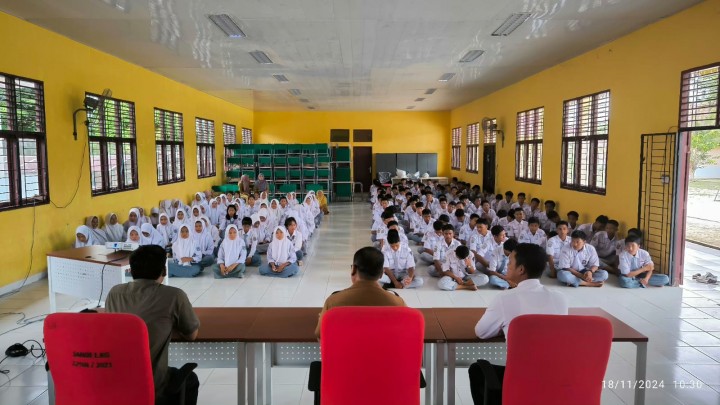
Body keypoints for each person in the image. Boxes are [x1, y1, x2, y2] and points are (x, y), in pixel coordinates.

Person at [469, 243, 568, 405]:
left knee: (477, 370)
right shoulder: (560, 299)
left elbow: (481, 332)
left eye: (509, 263)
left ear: (521, 269)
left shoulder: (505, 298)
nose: (506, 266)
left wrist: (506, 327)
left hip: (520, 381)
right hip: (556, 380)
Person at [106, 245, 199, 405]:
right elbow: (191, 334)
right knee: (190, 379)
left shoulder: (114, 293)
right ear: (164, 270)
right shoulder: (174, 296)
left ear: (131, 270)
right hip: (153, 386)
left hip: (115, 383)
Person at [314, 246, 406, 338]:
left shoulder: (333, 301)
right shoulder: (397, 303)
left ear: (353, 269)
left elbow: (319, 333)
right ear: (382, 273)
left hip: (346, 352)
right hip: (384, 352)